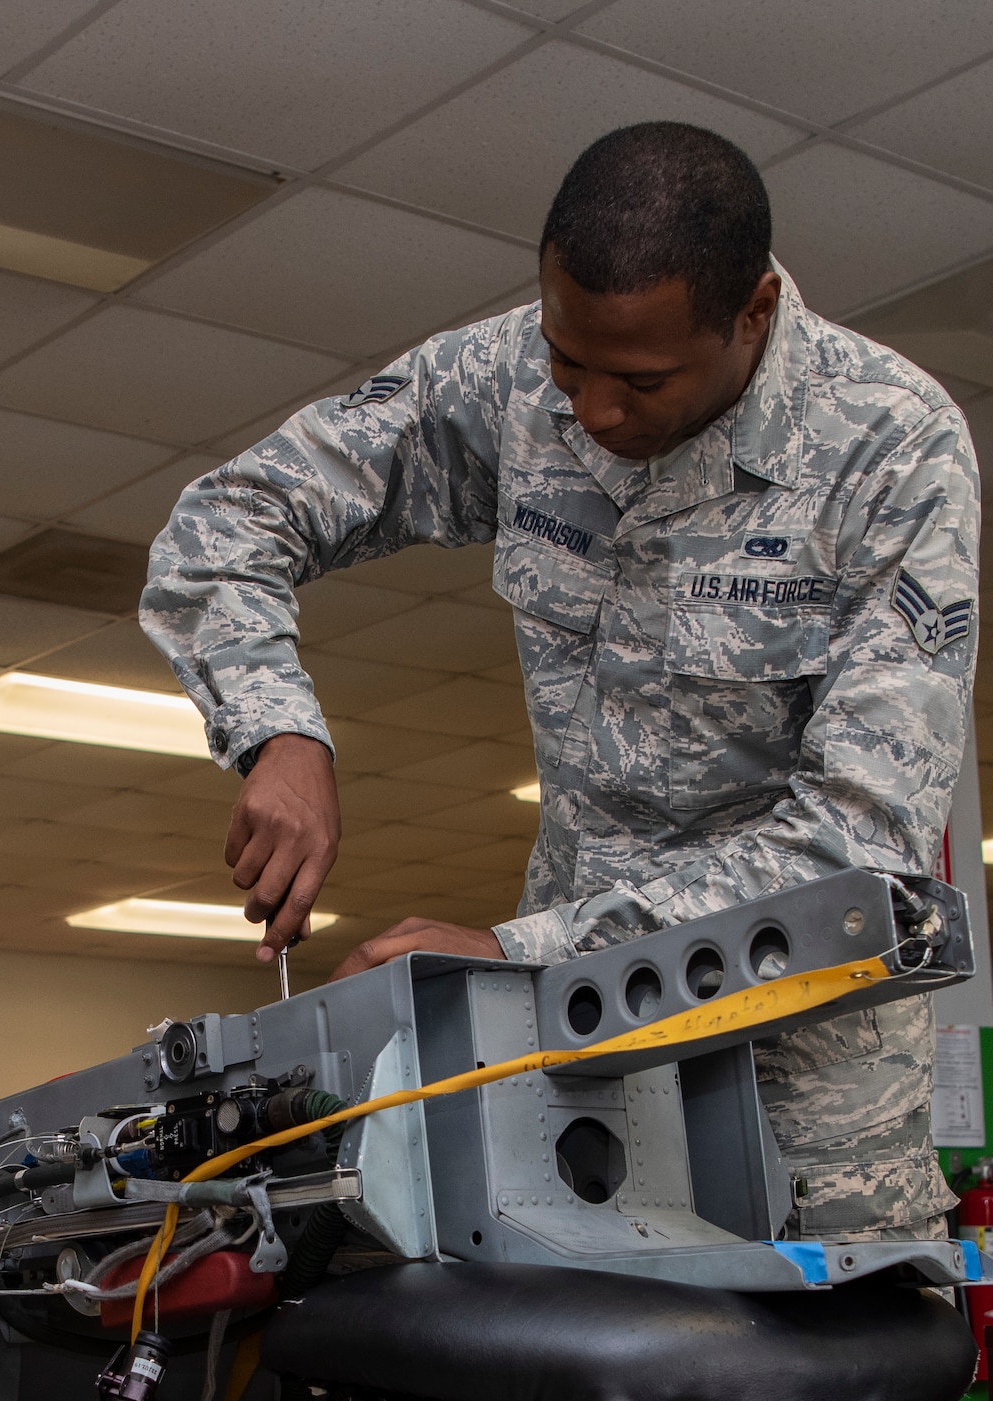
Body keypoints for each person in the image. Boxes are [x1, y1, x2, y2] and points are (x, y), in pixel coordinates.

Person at [142, 122, 978, 1242]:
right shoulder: (505, 384)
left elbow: (855, 843)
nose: (587, 413)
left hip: (799, 1076)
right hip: (575, 1064)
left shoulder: (890, 448)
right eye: (564, 361)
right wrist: (276, 732)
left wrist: (518, 952)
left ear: (752, 317)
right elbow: (225, 520)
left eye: (637, 380)